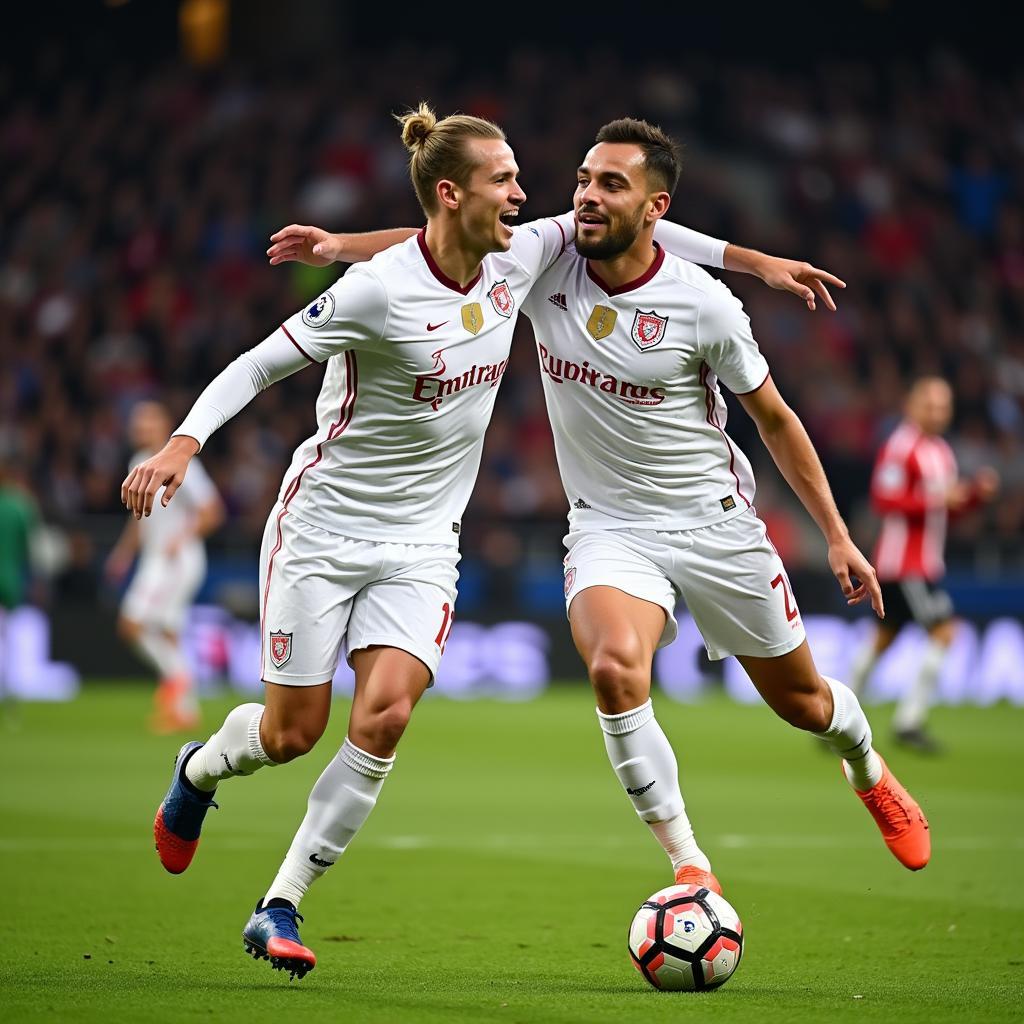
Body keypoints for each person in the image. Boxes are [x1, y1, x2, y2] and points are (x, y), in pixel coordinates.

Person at [126, 104, 845, 982]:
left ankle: (280, 902)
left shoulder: (522, 254)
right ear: (452, 193)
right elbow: (258, 364)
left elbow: (649, 225)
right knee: (289, 734)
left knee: (384, 716)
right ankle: (199, 768)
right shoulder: (377, 291)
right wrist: (183, 443)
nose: (527, 193)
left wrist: (755, 263)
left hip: (426, 542)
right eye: (505, 180)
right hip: (324, 528)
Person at [275, 118, 931, 896]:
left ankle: (866, 764)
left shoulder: (705, 308)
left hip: (714, 524)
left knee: (806, 704)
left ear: (655, 210)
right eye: (584, 180)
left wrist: (837, 536)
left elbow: (776, 421)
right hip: (608, 528)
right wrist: (340, 247)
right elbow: (436, 237)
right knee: (617, 670)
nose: (585, 196)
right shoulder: (543, 263)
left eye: (610, 185)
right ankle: (692, 865)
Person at [849, 377, 998, 753]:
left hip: (923, 563)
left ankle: (838, 715)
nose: (938, 413)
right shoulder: (901, 446)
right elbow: (884, 500)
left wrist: (975, 496)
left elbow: (949, 510)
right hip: (903, 564)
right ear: (912, 406)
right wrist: (937, 498)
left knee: (884, 639)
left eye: (943, 406)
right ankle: (908, 722)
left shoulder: (941, 452)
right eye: (930, 405)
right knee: (945, 632)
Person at [107, 401, 224, 733]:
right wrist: (123, 554)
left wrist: (181, 538)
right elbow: (140, 518)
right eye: (138, 422)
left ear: (165, 426)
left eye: (148, 422)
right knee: (168, 632)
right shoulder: (137, 462)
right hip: (154, 559)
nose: (141, 428)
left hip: (175, 560)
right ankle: (184, 709)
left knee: (132, 625)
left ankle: (177, 686)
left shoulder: (182, 463)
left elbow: (212, 511)